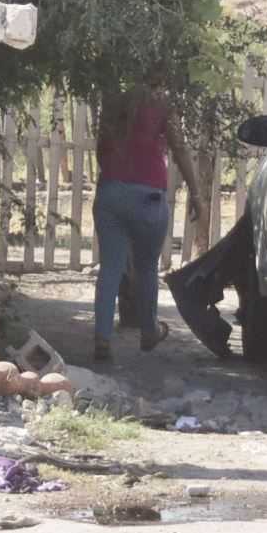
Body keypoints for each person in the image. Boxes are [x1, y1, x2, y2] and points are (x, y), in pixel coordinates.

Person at [91, 81, 176, 365]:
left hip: (112, 192)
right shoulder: (161, 102)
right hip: (149, 196)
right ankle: (149, 331)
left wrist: (116, 176)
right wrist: (198, 195)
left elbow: (101, 150)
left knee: (110, 268)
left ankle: (102, 338)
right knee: (147, 267)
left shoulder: (112, 99)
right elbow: (181, 149)